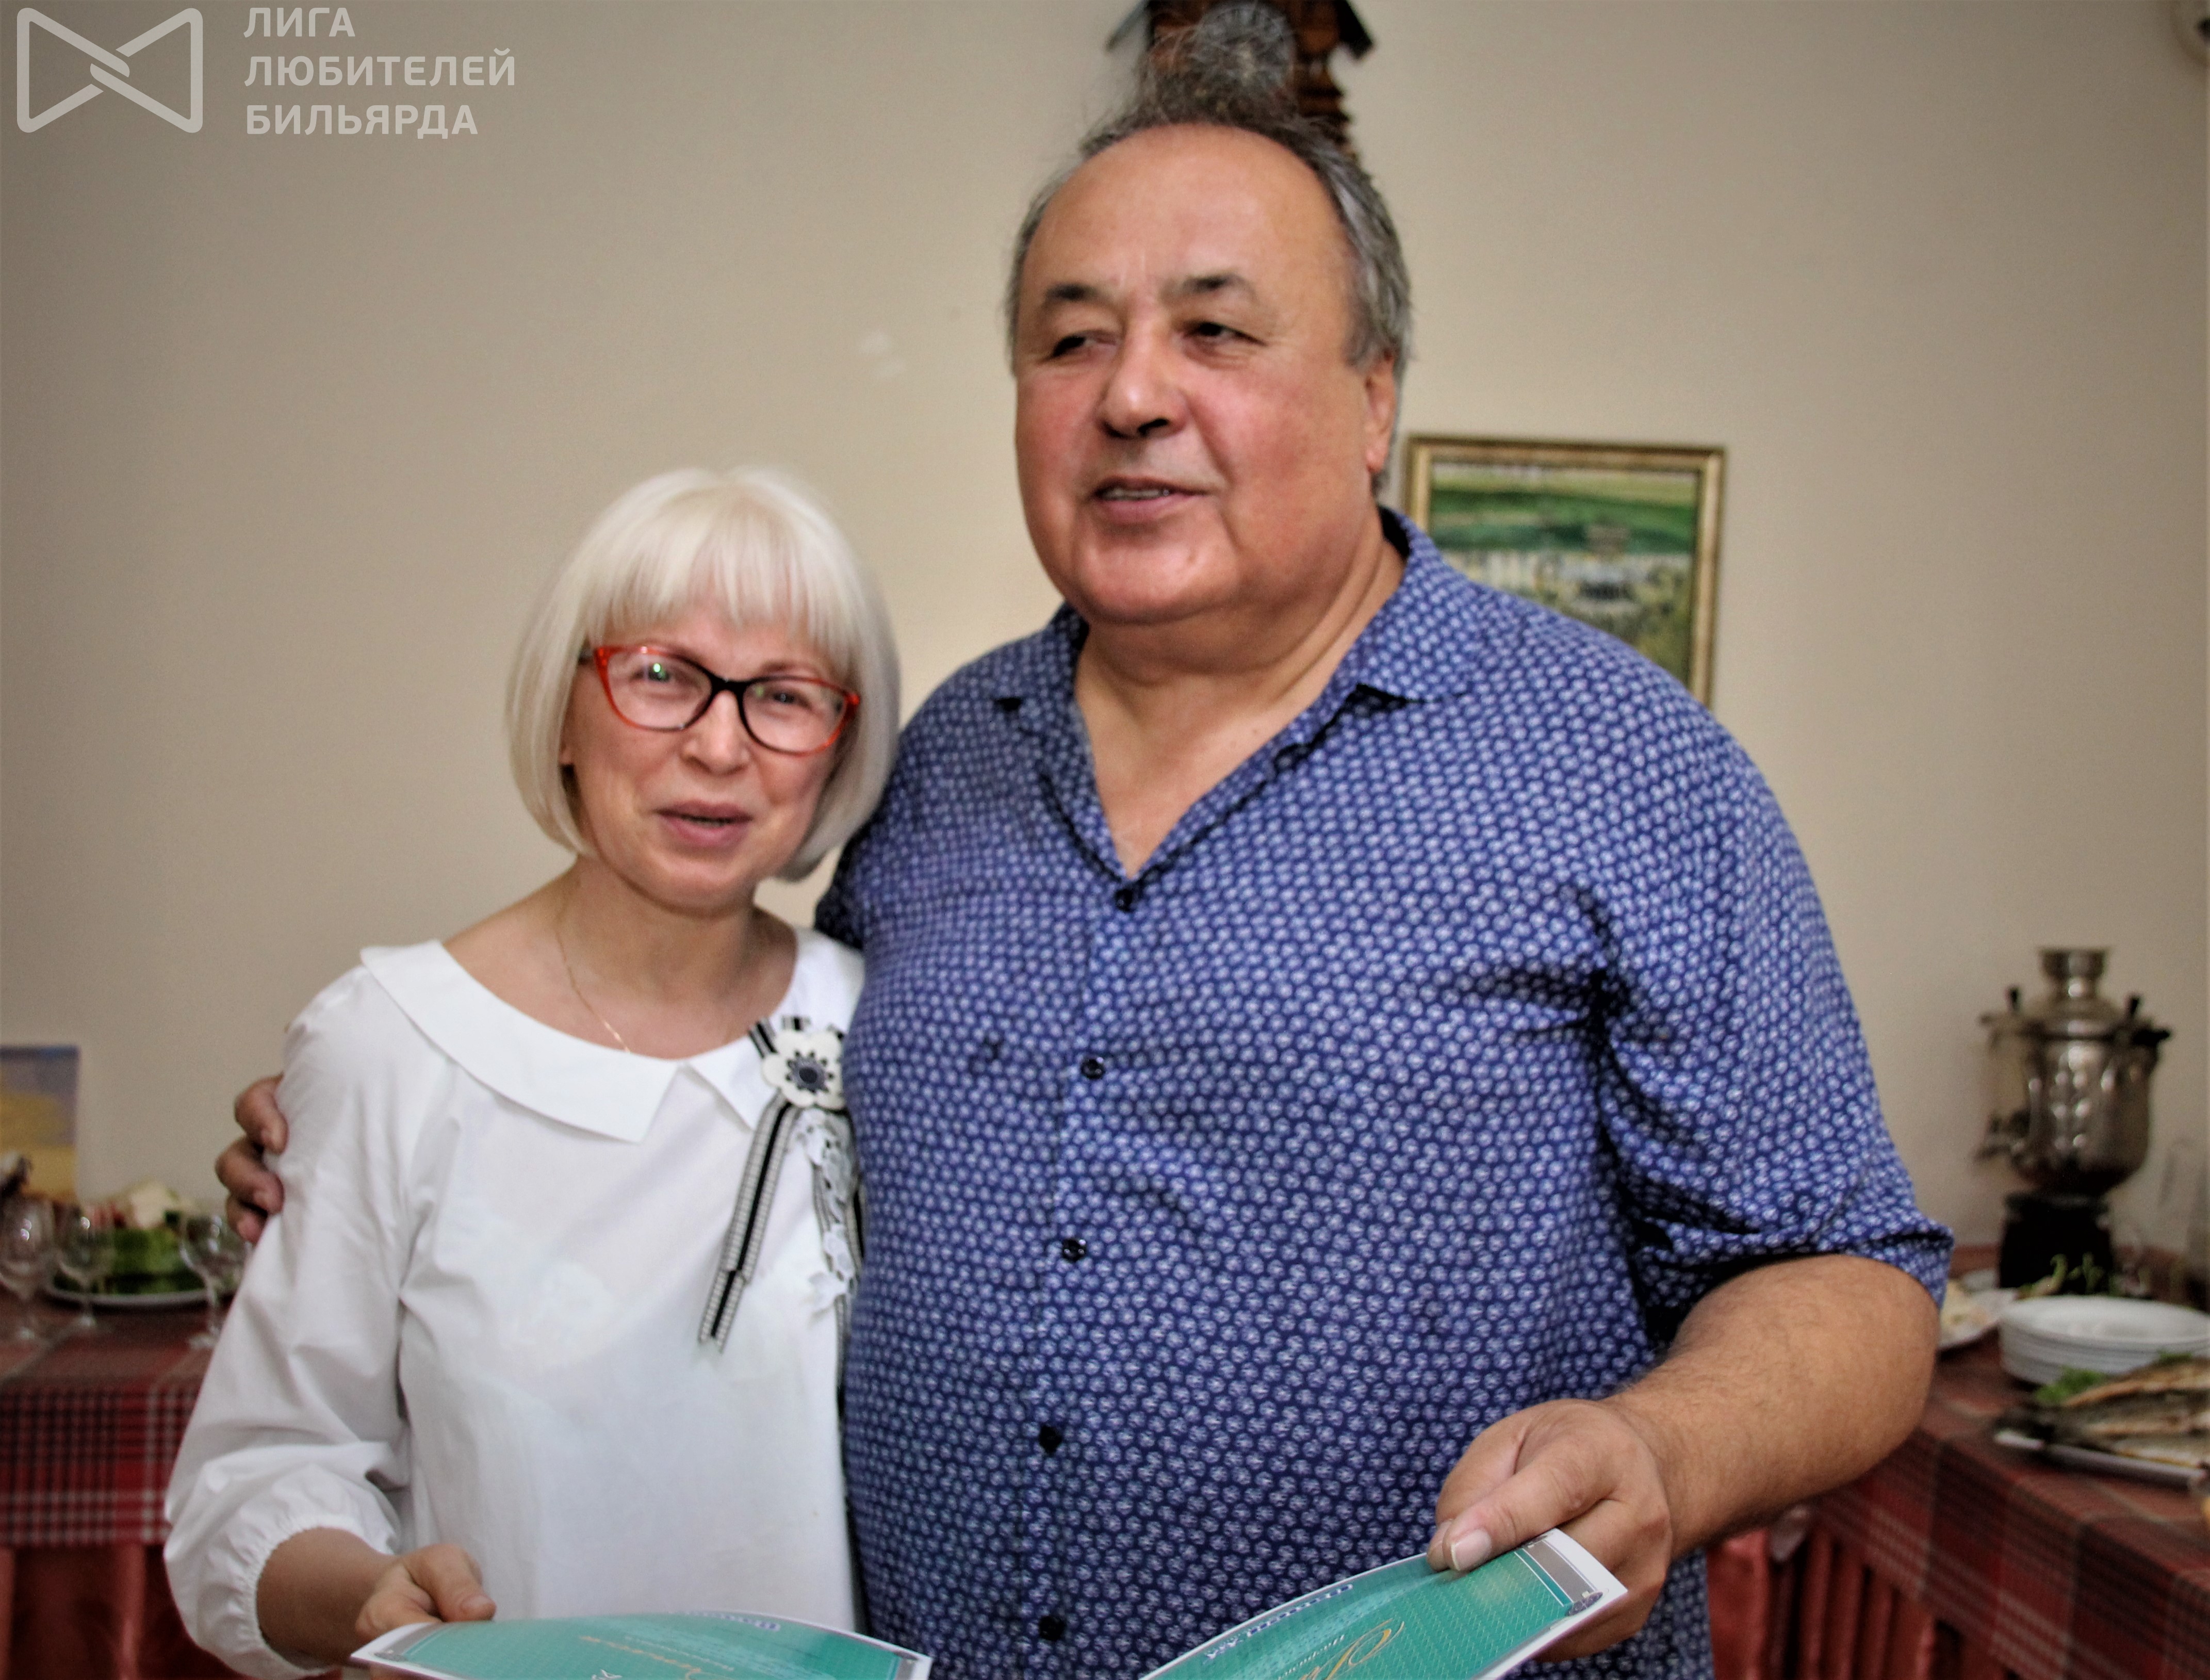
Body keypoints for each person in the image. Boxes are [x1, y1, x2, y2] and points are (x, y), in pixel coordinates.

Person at [223, 10, 1948, 1677]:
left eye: (1214, 331)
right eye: (1068, 341)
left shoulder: (1617, 764)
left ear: (1371, 396)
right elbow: (730, 1080)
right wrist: (389, 1125)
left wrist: (1665, 1448)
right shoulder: (938, 765)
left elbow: (1854, 1275)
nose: (1130, 393)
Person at [171, 468, 899, 1680]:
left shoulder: (882, 1022)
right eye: (660, 675)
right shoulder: (392, 1045)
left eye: (783, 696)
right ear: (563, 714)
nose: (719, 744)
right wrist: (368, 1598)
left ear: (838, 747)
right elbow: (256, 1480)